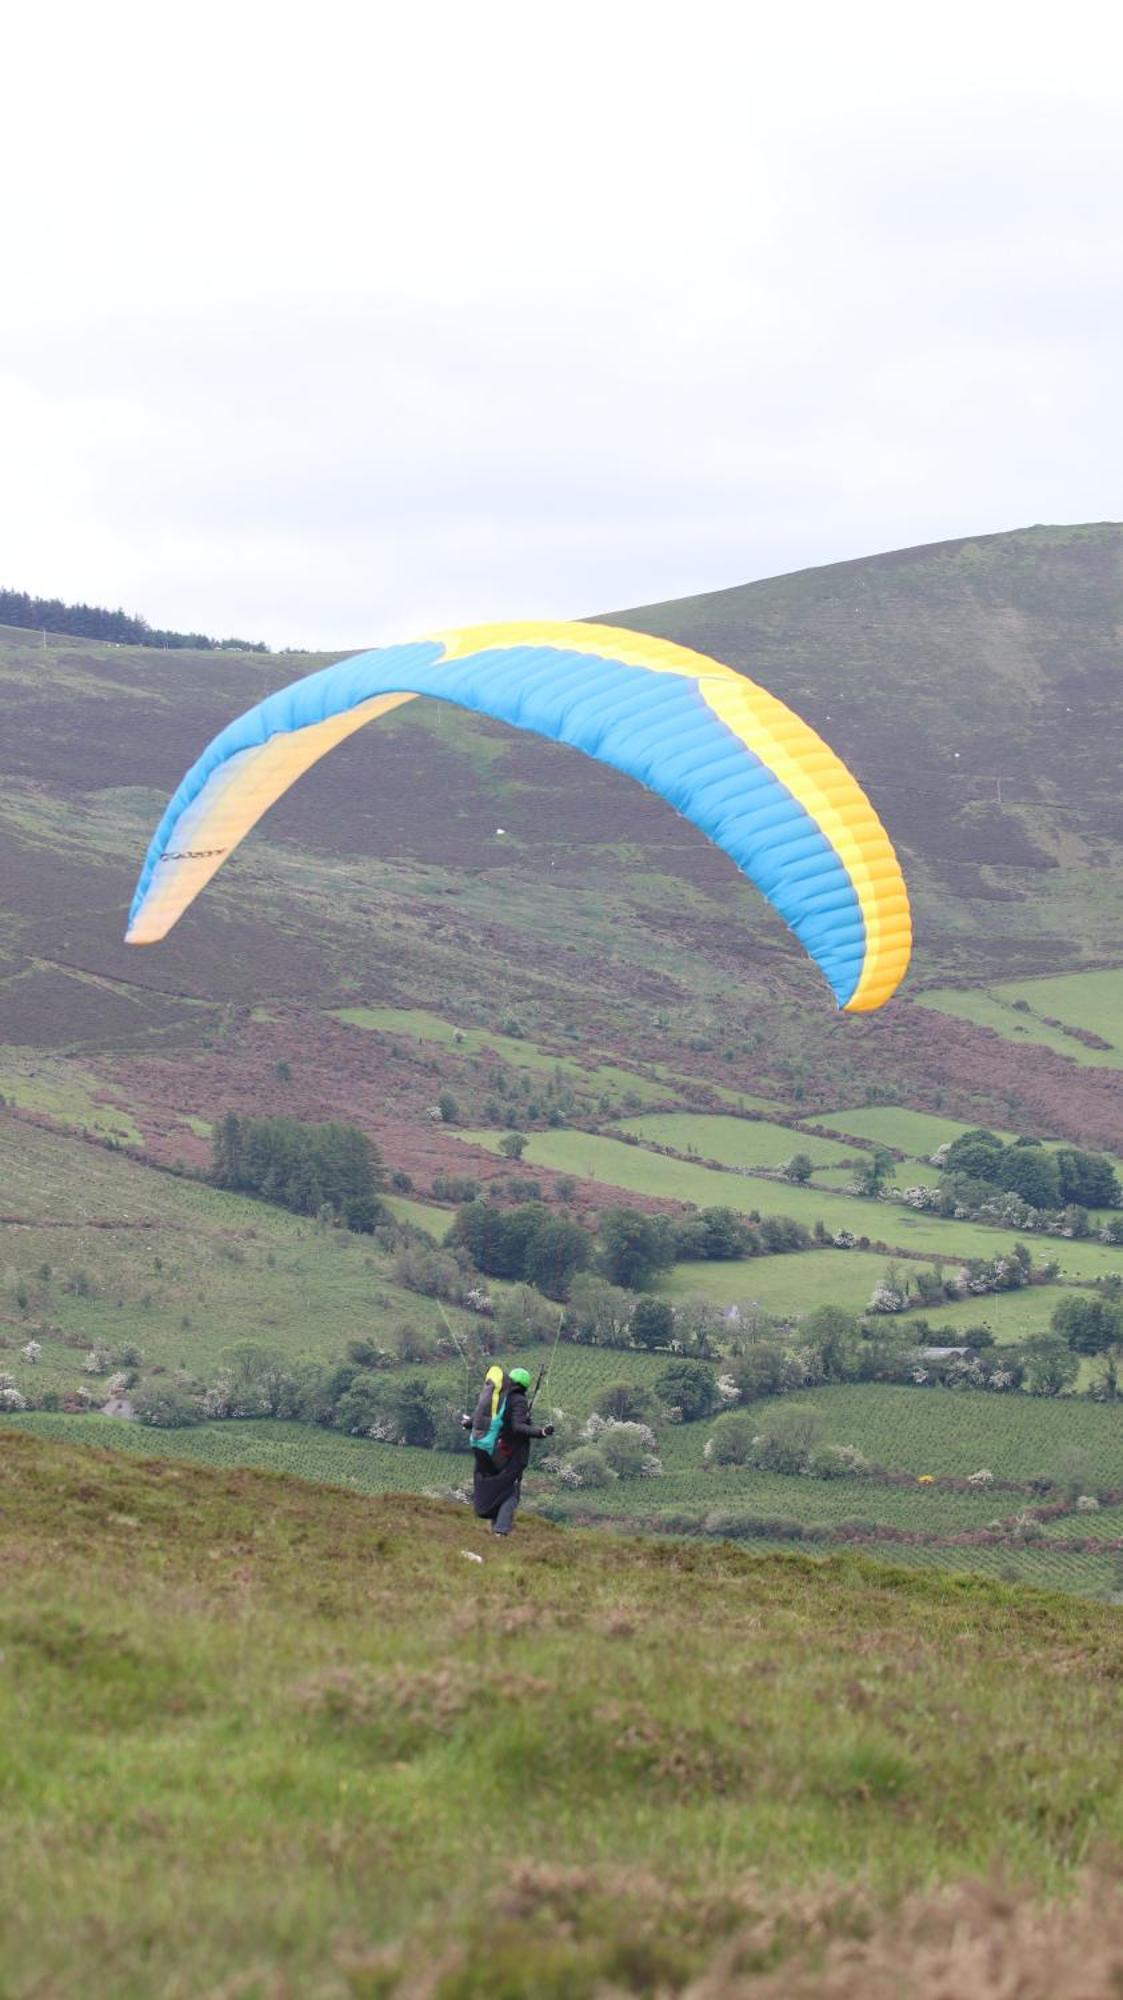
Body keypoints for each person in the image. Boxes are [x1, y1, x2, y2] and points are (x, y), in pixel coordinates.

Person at [462, 1365, 553, 1536]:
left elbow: (477, 1420)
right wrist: (541, 1432)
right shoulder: (518, 1400)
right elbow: (518, 1427)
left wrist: (467, 1423)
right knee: (510, 1494)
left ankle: (495, 1531)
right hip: (507, 1457)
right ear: (524, 1386)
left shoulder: (499, 1399)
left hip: (488, 1452)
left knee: (498, 1491)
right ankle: (501, 1531)